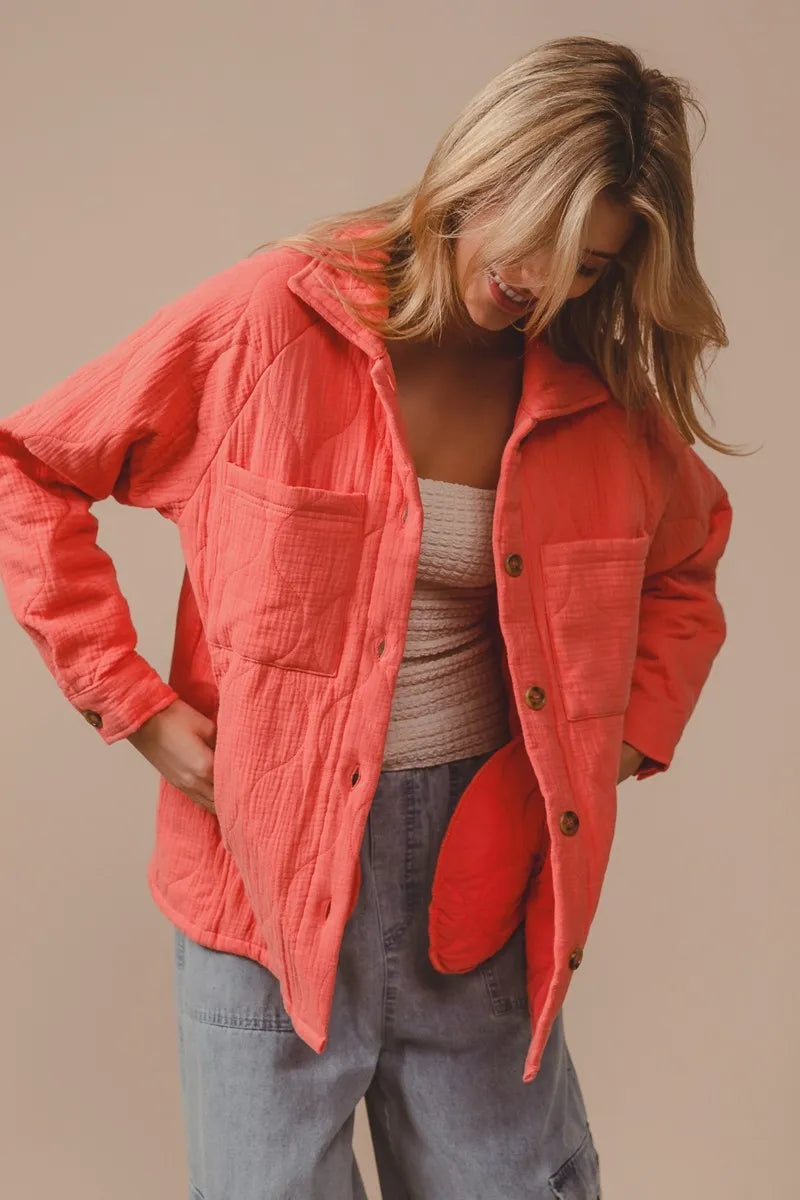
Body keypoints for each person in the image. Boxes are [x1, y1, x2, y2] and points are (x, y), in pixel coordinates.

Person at [0, 34, 737, 1200]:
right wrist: (130, 704)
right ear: (478, 172)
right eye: (537, 236)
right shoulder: (274, 321)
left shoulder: (594, 400)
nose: (544, 283)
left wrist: (614, 741)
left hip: (480, 872)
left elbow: (685, 567)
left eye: (587, 266)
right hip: (259, 876)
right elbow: (31, 467)